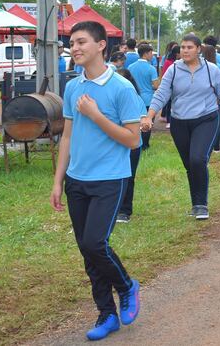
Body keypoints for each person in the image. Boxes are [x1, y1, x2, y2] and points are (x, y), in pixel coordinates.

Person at [49, 21, 142, 341]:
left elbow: (132, 141)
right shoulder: (73, 86)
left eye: (81, 42)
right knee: (87, 250)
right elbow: (67, 138)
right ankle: (107, 314)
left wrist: (97, 115)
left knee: (94, 243)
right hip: (77, 180)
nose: (74, 47)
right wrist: (58, 180)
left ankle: (127, 286)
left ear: (101, 45)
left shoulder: (121, 88)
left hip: (109, 179)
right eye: (71, 42)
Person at [143, 34, 220, 219]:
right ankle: (195, 204)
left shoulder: (212, 70)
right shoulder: (173, 70)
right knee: (189, 164)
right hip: (179, 122)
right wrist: (150, 116)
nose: (185, 50)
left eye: (189, 47)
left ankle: (202, 204)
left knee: (198, 159)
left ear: (198, 49)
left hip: (206, 119)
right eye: (183, 47)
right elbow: (161, 94)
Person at [114, 68, 145, 224]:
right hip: (112, 144)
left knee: (128, 176)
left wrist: (145, 124)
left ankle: (124, 210)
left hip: (132, 144)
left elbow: (143, 118)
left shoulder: (134, 98)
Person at [128, 44, 158, 150]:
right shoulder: (151, 69)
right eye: (151, 53)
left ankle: (135, 142)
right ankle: (145, 144)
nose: (152, 56)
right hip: (148, 99)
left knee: (135, 122)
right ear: (146, 54)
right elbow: (155, 85)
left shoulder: (130, 67)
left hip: (134, 98)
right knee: (147, 123)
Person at [160, 46, 180, 128]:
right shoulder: (168, 62)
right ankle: (169, 121)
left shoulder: (180, 62)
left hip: (178, 86)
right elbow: (165, 73)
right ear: (177, 54)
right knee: (169, 104)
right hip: (170, 86)